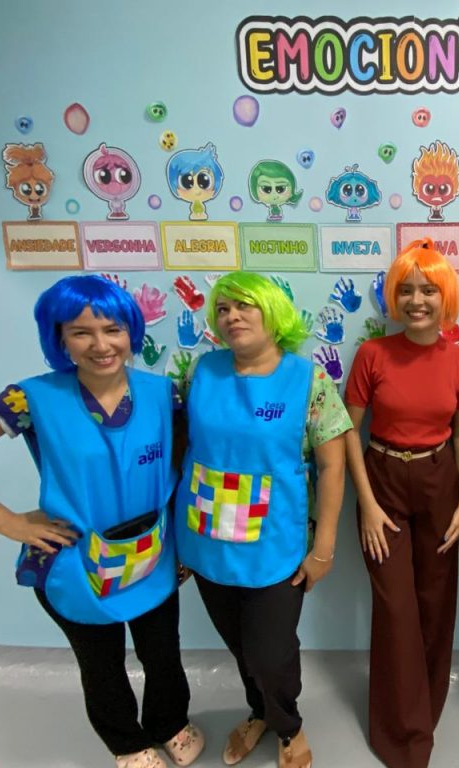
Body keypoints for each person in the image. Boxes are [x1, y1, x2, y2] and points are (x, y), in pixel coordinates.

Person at [0, 275, 202, 768]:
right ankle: (127, 743)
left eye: (112, 329)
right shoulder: (30, 399)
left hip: (152, 554)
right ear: (59, 338)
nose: (100, 345)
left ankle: (169, 722)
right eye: (81, 332)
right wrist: (8, 522)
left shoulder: (164, 394)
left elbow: (180, 467)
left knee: (163, 653)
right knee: (101, 664)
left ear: (132, 331)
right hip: (76, 561)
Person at [173, 272, 349, 768]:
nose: (231, 316)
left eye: (244, 305)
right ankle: (260, 712)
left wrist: (323, 548)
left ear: (273, 313)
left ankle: (287, 725)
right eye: (223, 308)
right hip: (208, 540)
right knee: (241, 648)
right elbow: (181, 450)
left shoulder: (309, 380)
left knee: (271, 653)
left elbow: (333, 467)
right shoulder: (200, 373)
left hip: (277, 542)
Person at [343, 238, 459, 768]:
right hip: (382, 479)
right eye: (406, 290)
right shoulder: (372, 354)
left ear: (446, 297)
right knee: (397, 609)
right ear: (393, 299)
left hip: (441, 479)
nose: (417, 300)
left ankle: (426, 707)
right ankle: (404, 738)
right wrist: (367, 504)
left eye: (428, 290)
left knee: (436, 602)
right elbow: (347, 432)